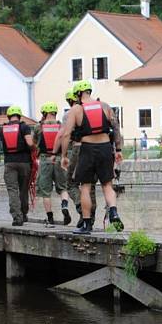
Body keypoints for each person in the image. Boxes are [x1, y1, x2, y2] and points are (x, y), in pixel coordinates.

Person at [59, 80, 124, 235]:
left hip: (87, 149)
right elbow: (115, 127)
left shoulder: (76, 109)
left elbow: (66, 133)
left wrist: (63, 156)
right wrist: (119, 149)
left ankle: (87, 225)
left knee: (86, 187)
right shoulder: (105, 106)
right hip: (105, 148)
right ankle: (113, 212)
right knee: (107, 185)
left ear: (78, 94)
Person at [55, 88, 96, 230]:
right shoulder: (92, 109)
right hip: (96, 148)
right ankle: (90, 217)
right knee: (90, 185)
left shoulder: (69, 114)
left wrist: (61, 155)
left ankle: (81, 207)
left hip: (78, 149)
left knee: (70, 183)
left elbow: (63, 135)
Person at [35, 102, 72, 228]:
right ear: (55, 113)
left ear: (44, 114)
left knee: (45, 192)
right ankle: (65, 205)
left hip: (45, 159)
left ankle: (50, 218)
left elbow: (34, 144)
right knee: (63, 188)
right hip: (59, 159)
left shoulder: (38, 127)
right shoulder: (62, 126)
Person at [0, 106, 34, 226]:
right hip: (24, 163)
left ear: (9, 116)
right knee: (23, 190)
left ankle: (16, 217)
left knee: (12, 190)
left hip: (9, 163)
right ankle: (24, 214)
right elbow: (30, 143)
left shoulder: (3, 128)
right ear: (20, 115)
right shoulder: (24, 127)